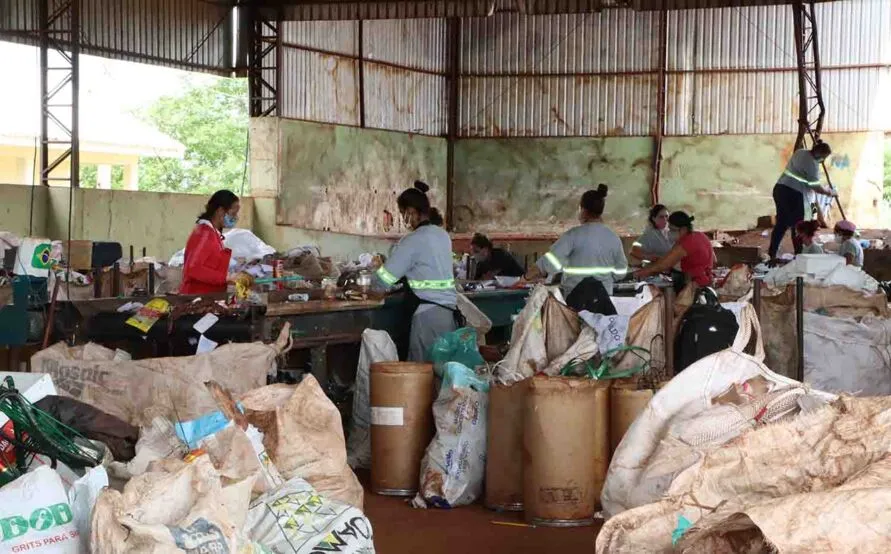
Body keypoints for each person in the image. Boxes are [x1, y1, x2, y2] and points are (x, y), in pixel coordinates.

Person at [374, 181, 458, 362]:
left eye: (403, 213)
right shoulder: (443, 236)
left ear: (411, 211)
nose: (404, 219)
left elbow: (384, 279)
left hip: (426, 317)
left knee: (421, 376)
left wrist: (365, 285)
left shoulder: (412, 240)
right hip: (448, 315)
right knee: (442, 373)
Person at [528, 184, 627, 297]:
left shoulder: (573, 235)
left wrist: (525, 278)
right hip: (605, 299)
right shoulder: (613, 237)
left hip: (575, 300)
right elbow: (621, 272)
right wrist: (604, 279)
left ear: (583, 210)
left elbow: (548, 263)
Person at [769, 141, 836, 261]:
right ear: (821, 154)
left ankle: (772, 254)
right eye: (824, 157)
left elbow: (813, 201)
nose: (823, 160)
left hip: (780, 189)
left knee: (782, 224)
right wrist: (829, 192)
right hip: (793, 194)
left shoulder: (800, 152)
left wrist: (815, 215)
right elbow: (815, 188)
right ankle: (799, 254)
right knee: (797, 225)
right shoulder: (812, 165)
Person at [180, 190, 241, 295]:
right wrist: (227, 277)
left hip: (209, 296)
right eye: (233, 213)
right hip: (196, 297)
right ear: (221, 211)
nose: (235, 218)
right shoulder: (204, 234)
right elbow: (193, 269)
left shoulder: (213, 234)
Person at [634, 211, 716, 288]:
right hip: (707, 281)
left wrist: (641, 273)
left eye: (672, 230)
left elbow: (664, 264)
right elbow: (714, 259)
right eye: (669, 229)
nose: (669, 232)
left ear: (683, 229)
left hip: (696, 285)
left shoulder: (687, 242)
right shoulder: (700, 235)